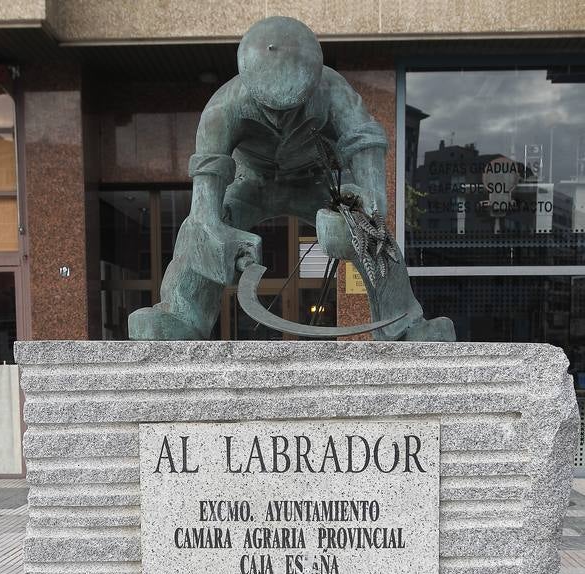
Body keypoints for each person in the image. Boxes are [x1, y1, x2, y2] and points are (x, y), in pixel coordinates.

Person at [129, 15, 454, 341]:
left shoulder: (332, 89)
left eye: (293, 107)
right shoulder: (221, 110)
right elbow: (203, 210)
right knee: (197, 234)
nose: (283, 117)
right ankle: (181, 316)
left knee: (370, 234)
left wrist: (368, 200)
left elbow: (364, 140)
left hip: (316, 181)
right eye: (272, 109)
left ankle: (403, 325)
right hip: (251, 182)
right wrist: (216, 232)